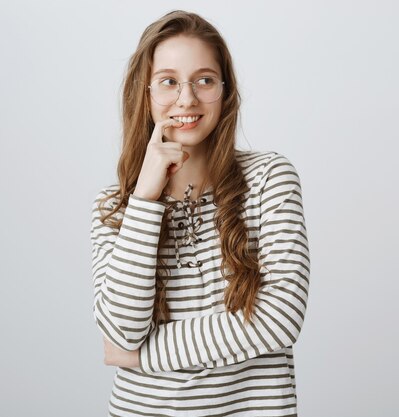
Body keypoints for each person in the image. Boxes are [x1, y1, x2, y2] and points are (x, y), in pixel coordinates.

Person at [90, 10, 310, 417]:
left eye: (204, 80)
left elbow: (279, 318)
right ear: (146, 93)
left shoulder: (268, 179)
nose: (187, 98)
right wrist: (145, 198)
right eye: (169, 81)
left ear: (225, 91)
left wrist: (142, 357)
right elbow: (121, 330)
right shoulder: (115, 206)